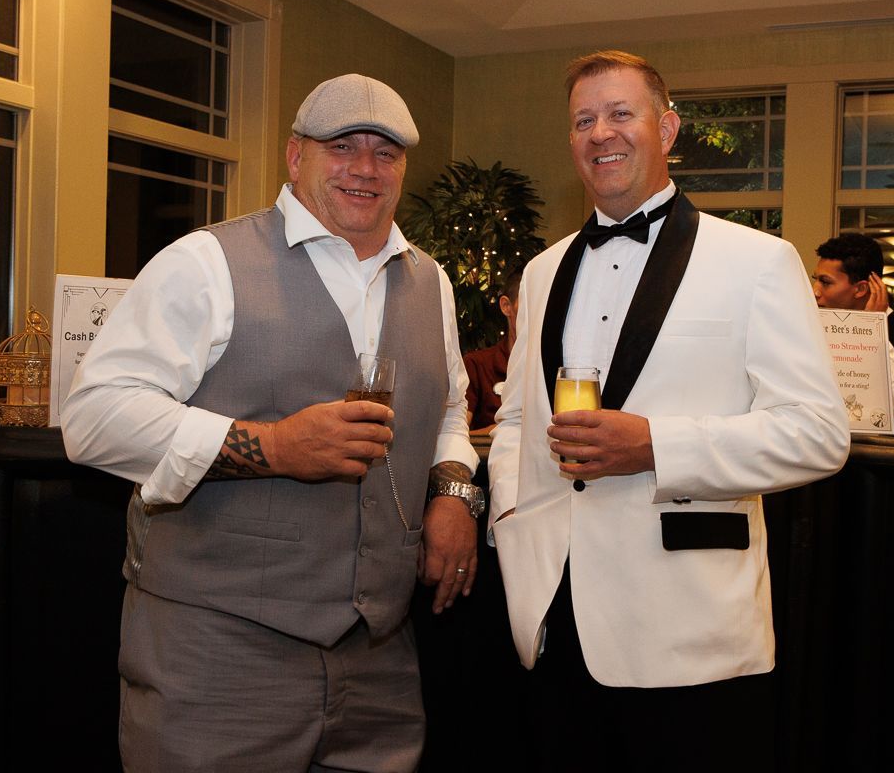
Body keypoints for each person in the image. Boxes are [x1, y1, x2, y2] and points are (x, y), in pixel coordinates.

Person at [62, 73, 483, 773]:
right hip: (218, 656)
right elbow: (95, 416)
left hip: (379, 658)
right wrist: (275, 446)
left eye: (386, 152)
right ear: (295, 156)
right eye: (341, 146)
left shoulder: (430, 281)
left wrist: (453, 491)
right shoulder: (206, 263)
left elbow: (447, 409)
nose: (365, 168)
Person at [486, 50, 850, 771]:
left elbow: (818, 434)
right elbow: (517, 421)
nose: (601, 133)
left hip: (689, 630)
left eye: (621, 113)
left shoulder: (758, 261)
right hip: (553, 617)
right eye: (583, 120)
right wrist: (511, 517)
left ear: (668, 128)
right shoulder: (541, 271)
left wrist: (657, 445)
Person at [811, 234, 894, 421]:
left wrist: (873, 331)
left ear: (860, 289)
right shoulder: (816, 328)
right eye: (815, 280)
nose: (814, 291)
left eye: (825, 282)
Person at [463, 266, 522, 433]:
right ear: (506, 306)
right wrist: (501, 431)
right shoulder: (477, 364)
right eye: (529, 304)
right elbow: (456, 434)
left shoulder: (552, 366)